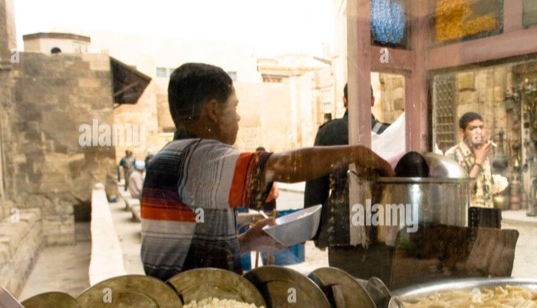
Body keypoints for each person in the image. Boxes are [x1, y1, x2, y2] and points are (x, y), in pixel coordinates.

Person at [141, 63, 393, 281]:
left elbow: (189, 255)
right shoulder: (199, 156)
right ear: (214, 111)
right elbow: (280, 166)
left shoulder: (168, 157)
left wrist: (246, 241)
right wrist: (357, 153)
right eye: (234, 107)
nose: (238, 117)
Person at [304, 83, 388, 247]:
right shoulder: (386, 132)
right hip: (380, 220)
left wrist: (313, 232)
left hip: (340, 226)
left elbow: (316, 185)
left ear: (345, 101)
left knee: (340, 272)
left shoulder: (328, 132)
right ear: (372, 100)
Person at [445, 112, 495, 208]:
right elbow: (461, 194)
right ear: (462, 132)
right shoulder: (452, 155)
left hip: (486, 217)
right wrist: (478, 162)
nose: (478, 132)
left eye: (481, 127)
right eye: (473, 128)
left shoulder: (484, 153)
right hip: (466, 218)